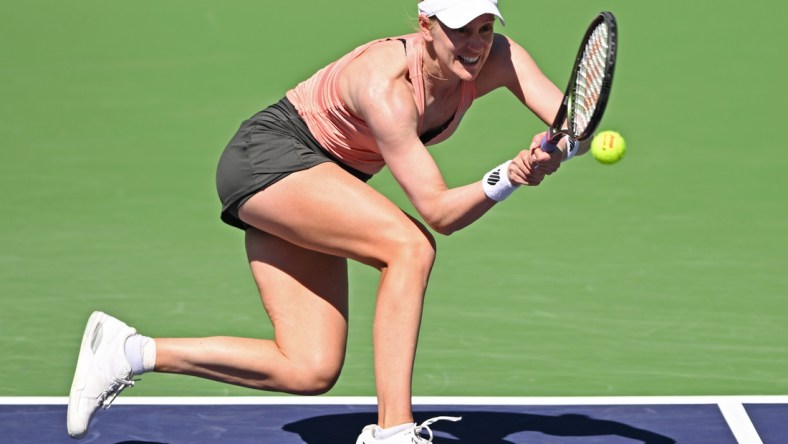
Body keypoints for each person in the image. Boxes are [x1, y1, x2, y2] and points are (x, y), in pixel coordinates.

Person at [67, 0, 593, 442]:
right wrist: (511, 175)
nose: (476, 45)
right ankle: (394, 431)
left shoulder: (498, 57)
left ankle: (128, 351)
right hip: (269, 158)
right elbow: (438, 213)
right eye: (460, 31)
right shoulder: (385, 85)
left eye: (485, 28)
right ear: (426, 26)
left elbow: (577, 124)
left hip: (322, 181)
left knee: (309, 367)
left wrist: (556, 148)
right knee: (410, 246)